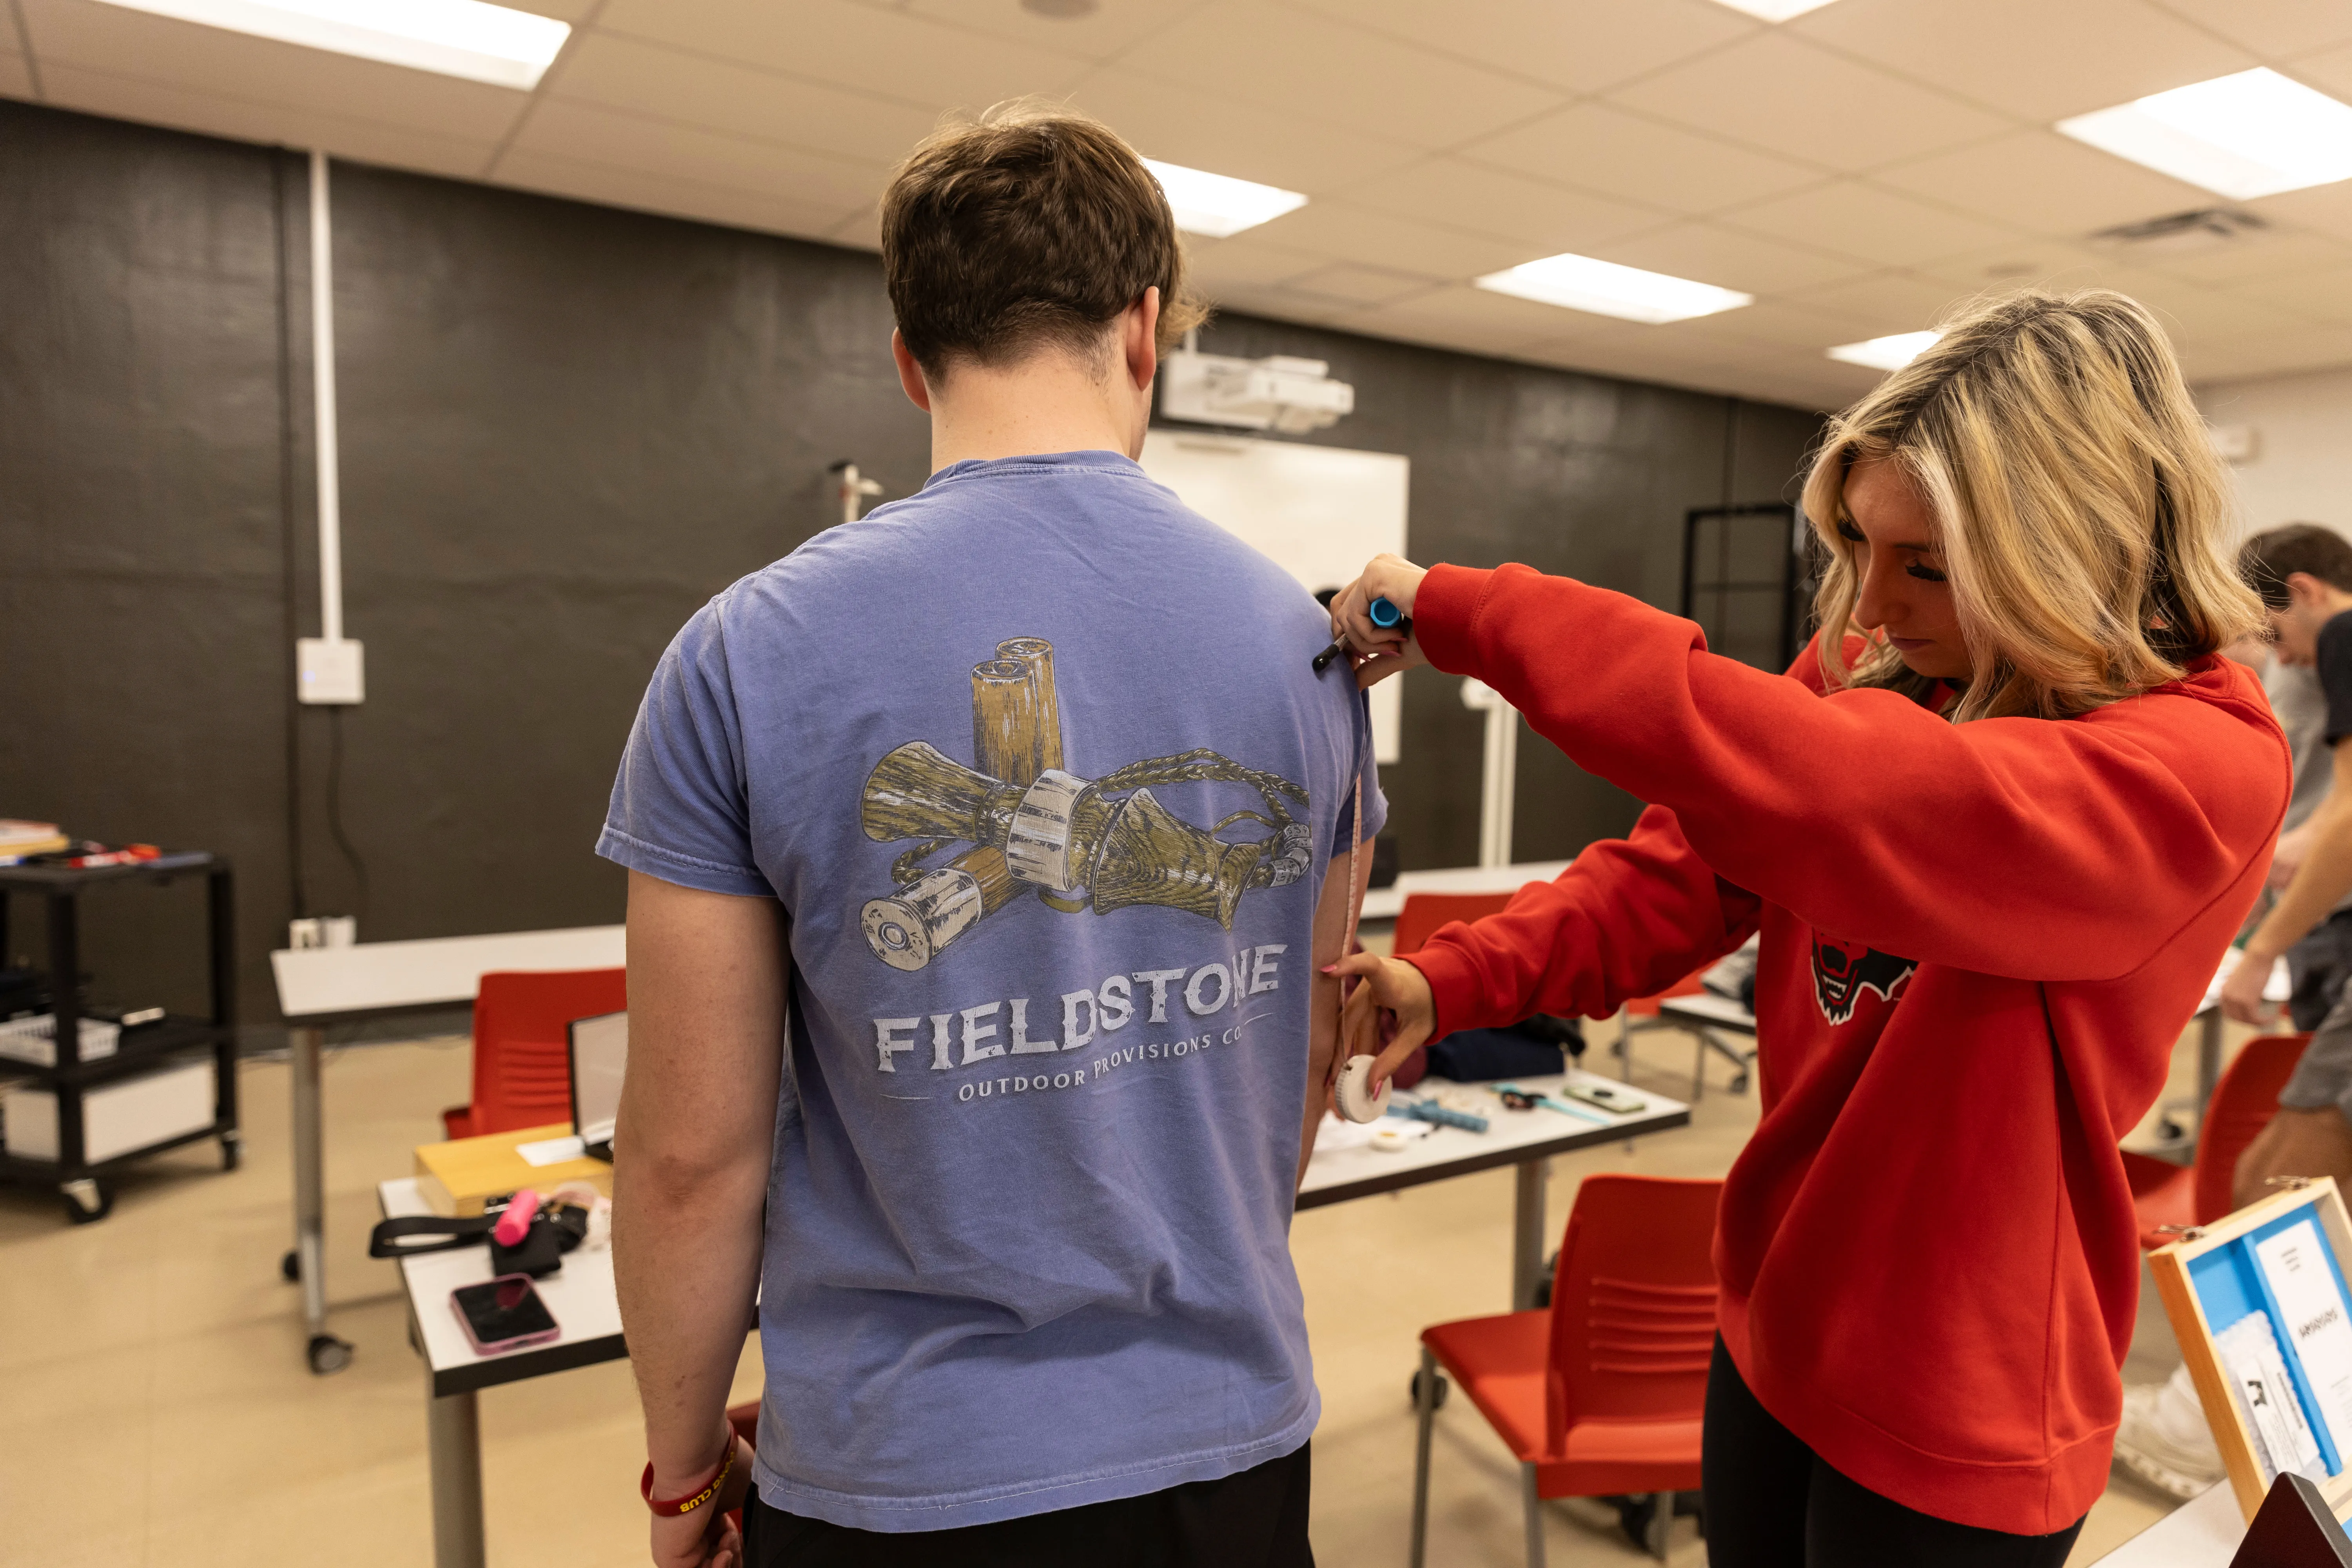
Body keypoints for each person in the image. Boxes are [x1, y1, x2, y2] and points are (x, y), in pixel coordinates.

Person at [1326, 289, 2284, 1565]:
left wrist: (1477, 615)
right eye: (1860, 548)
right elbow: (1675, 876)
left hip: (1966, 1386)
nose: (1871, 607)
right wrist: (1451, 982)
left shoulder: (2196, 760)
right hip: (1776, 1316)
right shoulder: (1886, 671)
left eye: (1924, 565)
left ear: (2065, 548)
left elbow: (1844, 790)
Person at [601, 102, 1379, 1568]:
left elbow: (691, 1160)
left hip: (898, 1469)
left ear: (910, 356)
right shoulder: (1312, 647)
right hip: (1225, 1448)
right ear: (1144, 329)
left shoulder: (743, 653)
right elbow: (1296, 1066)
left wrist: (686, 1477)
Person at [2225, 525, 2352, 1203]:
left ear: (2304, 591)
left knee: (2273, 1188)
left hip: (2334, 921)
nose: (2283, 659)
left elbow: (2351, 817)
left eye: (2275, 635)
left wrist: (2261, 951)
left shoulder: (2343, 634)